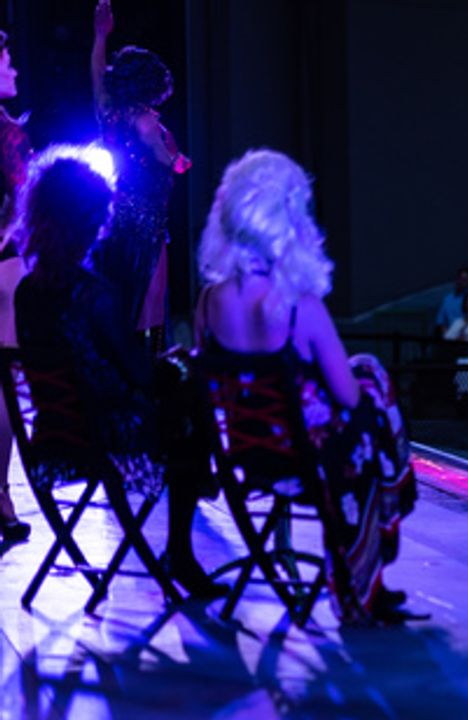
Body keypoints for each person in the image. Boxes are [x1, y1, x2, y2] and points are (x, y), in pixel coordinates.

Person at [195, 149, 416, 623]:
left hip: (249, 458)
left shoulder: (210, 301)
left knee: (366, 383)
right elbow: (348, 398)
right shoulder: (299, 306)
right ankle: (376, 541)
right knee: (372, 382)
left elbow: (214, 388)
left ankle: (375, 543)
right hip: (306, 465)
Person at [16, 148, 222, 596]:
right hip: (106, 438)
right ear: (88, 220)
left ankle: (193, 506)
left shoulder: (27, 292)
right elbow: (141, 376)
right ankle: (181, 550)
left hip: (54, 437)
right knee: (191, 403)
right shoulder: (96, 296)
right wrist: (178, 363)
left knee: (185, 396)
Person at [90, 0, 190, 339]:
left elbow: (97, 73)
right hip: (146, 218)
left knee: (119, 294)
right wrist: (178, 160)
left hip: (116, 217)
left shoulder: (109, 111)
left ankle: (121, 354)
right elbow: (169, 162)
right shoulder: (146, 120)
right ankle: (148, 362)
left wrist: (100, 37)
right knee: (151, 298)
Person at [0, 28, 30, 541]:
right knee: (1, 381)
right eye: (6, 59)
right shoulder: (8, 136)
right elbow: (24, 203)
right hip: (3, 266)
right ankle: (0, 492)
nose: (15, 68)